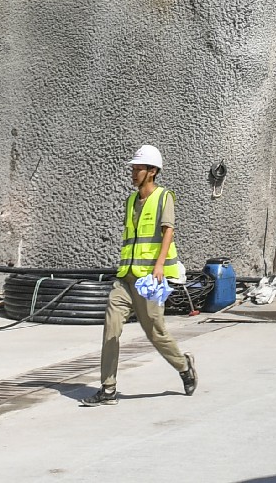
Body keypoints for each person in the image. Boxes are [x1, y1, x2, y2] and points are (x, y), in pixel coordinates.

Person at [82, 143, 197, 405]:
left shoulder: (164, 197)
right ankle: (108, 388)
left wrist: (159, 266)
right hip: (125, 278)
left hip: (150, 281)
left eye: (138, 169)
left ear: (153, 171)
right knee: (111, 328)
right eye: (133, 168)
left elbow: (168, 230)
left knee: (155, 332)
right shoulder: (131, 200)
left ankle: (184, 366)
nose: (133, 173)